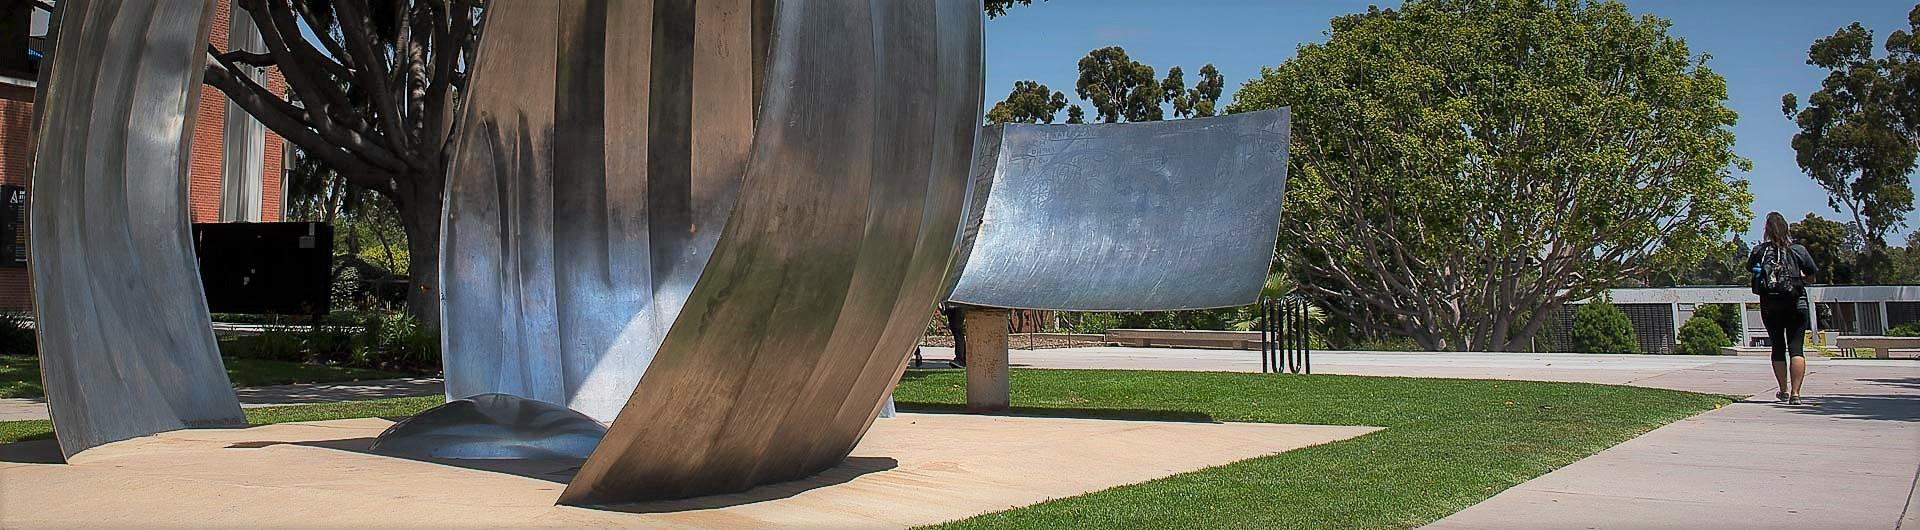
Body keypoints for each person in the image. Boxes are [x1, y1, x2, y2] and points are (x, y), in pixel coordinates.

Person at [1748, 212, 1819, 404]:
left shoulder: (1759, 251)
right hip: (1797, 303)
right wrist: (1797, 279)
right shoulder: (1799, 251)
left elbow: (1752, 270)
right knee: (1796, 347)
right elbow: (1812, 276)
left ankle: (1783, 389)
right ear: (1787, 228)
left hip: (1771, 305)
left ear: (1766, 230)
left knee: (1778, 346)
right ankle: (1796, 393)